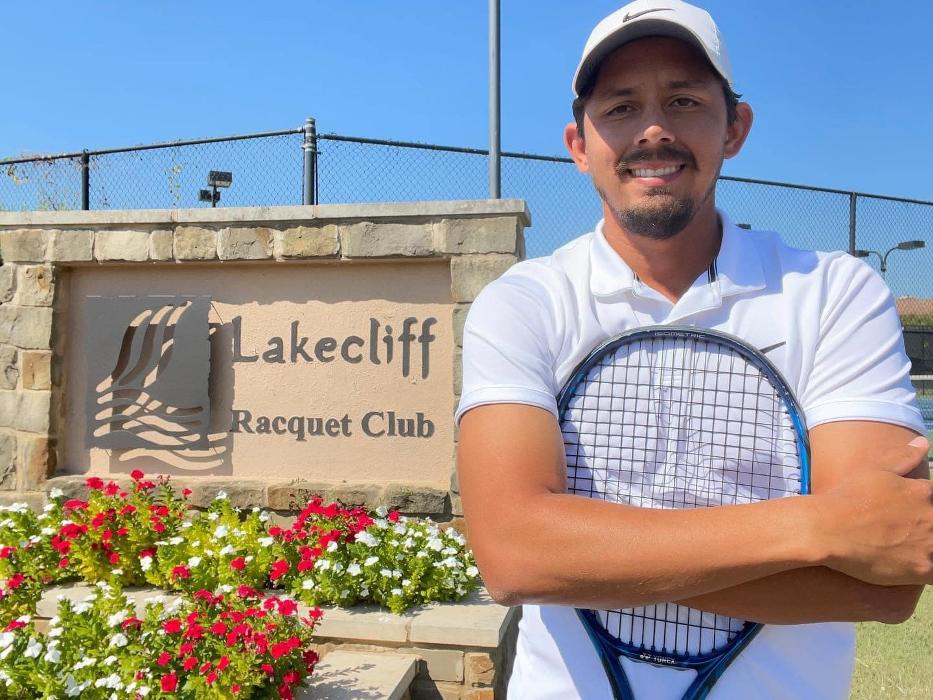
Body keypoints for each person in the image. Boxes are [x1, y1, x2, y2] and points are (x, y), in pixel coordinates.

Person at [455, 1, 932, 698]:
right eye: (620, 108)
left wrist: (586, 556)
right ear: (579, 145)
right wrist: (820, 525)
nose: (653, 130)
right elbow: (513, 555)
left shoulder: (836, 292)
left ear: (734, 128)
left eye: (683, 101)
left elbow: (886, 577)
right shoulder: (524, 301)